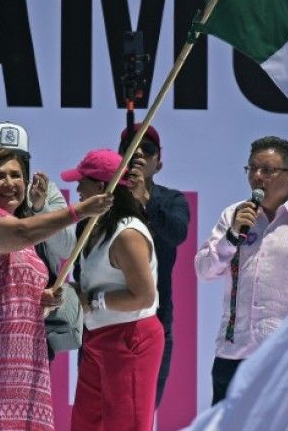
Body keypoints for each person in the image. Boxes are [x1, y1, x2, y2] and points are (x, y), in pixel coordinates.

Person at [0, 146, 113, 431]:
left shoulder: (14, 228)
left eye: (16, 175)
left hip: (19, 372)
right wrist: (80, 211)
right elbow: (22, 233)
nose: (9, 182)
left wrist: (40, 299)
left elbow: (2, 286)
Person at [195, 136, 288, 404]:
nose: (258, 177)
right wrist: (232, 235)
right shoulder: (233, 216)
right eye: (252, 169)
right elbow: (204, 270)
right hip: (233, 353)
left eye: (268, 170)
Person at [61, 149, 164, 431]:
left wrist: (92, 301)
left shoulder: (127, 234)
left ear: (102, 187)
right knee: (85, 425)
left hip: (130, 340)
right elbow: (96, 284)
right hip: (97, 338)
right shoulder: (95, 226)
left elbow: (144, 296)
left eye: (83, 181)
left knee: (126, 426)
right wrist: (72, 294)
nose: (78, 188)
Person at [118, 123, 189, 406]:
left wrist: (146, 202)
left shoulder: (172, 201)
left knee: (142, 415)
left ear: (158, 163)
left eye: (147, 149)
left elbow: (177, 233)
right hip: (104, 321)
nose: (137, 153)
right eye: (129, 148)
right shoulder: (105, 200)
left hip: (154, 322)